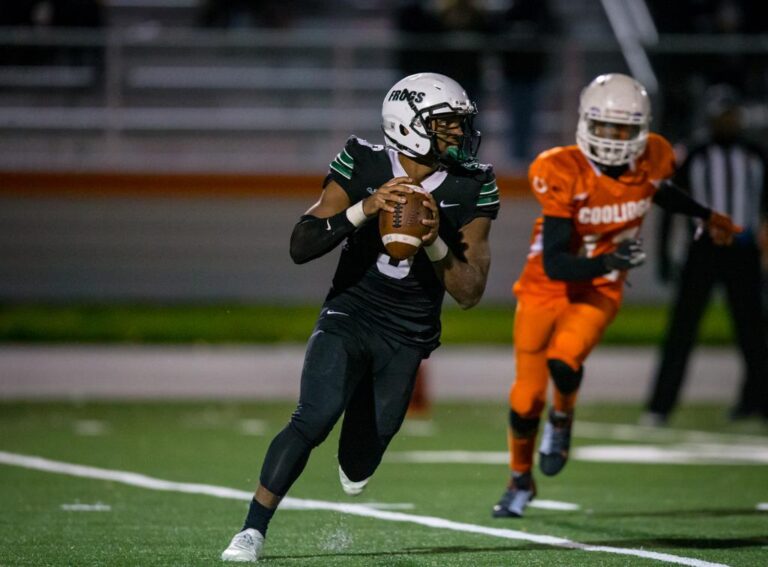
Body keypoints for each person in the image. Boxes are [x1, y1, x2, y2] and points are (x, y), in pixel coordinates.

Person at [221, 72, 499, 561]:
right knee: (313, 416)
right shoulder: (364, 161)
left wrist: (432, 238)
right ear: (409, 125)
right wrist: (365, 208)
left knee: (360, 461)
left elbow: (470, 292)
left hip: (410, 333)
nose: (458, 132)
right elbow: (301, 244)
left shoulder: (472, 183)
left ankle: (359, 441)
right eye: (447, 123)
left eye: (460, 122)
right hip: (350, 311)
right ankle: (251, 530)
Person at [491, 73, 741, 519]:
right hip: (544, 289)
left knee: (565, 358)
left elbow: (657, 190)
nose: (613, 138)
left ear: (641, 130)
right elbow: (555, 263)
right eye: (605, 126)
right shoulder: (561, 169)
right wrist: (611, 260)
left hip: (599, 290)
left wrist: (705, 214)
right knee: (527, 397)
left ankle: (563, 418)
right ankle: (519, 478)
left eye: (624, 129)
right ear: (587, 122)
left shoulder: (655, 157)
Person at [643, 85, 768, 425]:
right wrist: (665, 255)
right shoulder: (694, 155)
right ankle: (660, 405)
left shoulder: (756, 155)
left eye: (731, 114)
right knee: (682, 330)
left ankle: (755, 403)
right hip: (703, 250)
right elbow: (671, 206)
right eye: (720, 115)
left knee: (754, 331)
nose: (726, 121)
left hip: (743, 250)